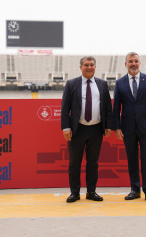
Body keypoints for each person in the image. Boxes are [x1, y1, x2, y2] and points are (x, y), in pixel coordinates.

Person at [113, 52, 146, 203]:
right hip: (127, 128)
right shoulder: (119, 83)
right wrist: (116, 127)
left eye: (136, 61)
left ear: (139, 63)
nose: (133, 64)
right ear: (125, 64)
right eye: (130, 61)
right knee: (132, 159)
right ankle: (135, 190)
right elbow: (116, 107)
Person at [61, 56, 113, 203]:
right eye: (86, 65)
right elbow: (65, 108)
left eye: (91, 65)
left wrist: (109, 125)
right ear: (80, 67)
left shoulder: (102, 84)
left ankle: (91, 192)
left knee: (93, 163)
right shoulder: (72, 84)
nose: (89, 67)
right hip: (77, 129)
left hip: (97, 129)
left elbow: (108, 107)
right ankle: (75, 193)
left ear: (95, 67)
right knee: (74, 163)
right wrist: (66, 127)